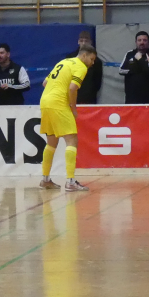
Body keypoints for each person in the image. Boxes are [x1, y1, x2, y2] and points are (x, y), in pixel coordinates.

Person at [39, 44, 98, 192]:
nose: (92, 63)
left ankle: (45, 179)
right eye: (91, 59)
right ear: (84, 55)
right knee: (72, 140)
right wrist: (73, 108)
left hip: (45, 102)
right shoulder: (81, 66)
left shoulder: (63, 62)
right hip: (59, 103)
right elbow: (72, 88)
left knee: (51, 142)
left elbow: (45, 83)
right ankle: (70, 181)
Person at [119, 31, 149, 104]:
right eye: (139, 40)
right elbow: (121, 70)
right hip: (131, 96)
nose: (142, 42)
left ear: (148, 42)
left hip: (148, 97)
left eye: (144, 40)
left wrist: (140, 60)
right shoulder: (129, 54)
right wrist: (134, 69)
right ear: (136, 42)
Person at [74, 30, 102, 104]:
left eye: (86, 41)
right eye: (81, 41)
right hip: (74, 93)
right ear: (78, 42)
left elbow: (97, 82)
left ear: (90, 42)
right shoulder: (70, 58)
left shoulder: (97, 61)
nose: (83, 43)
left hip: (89, 96)